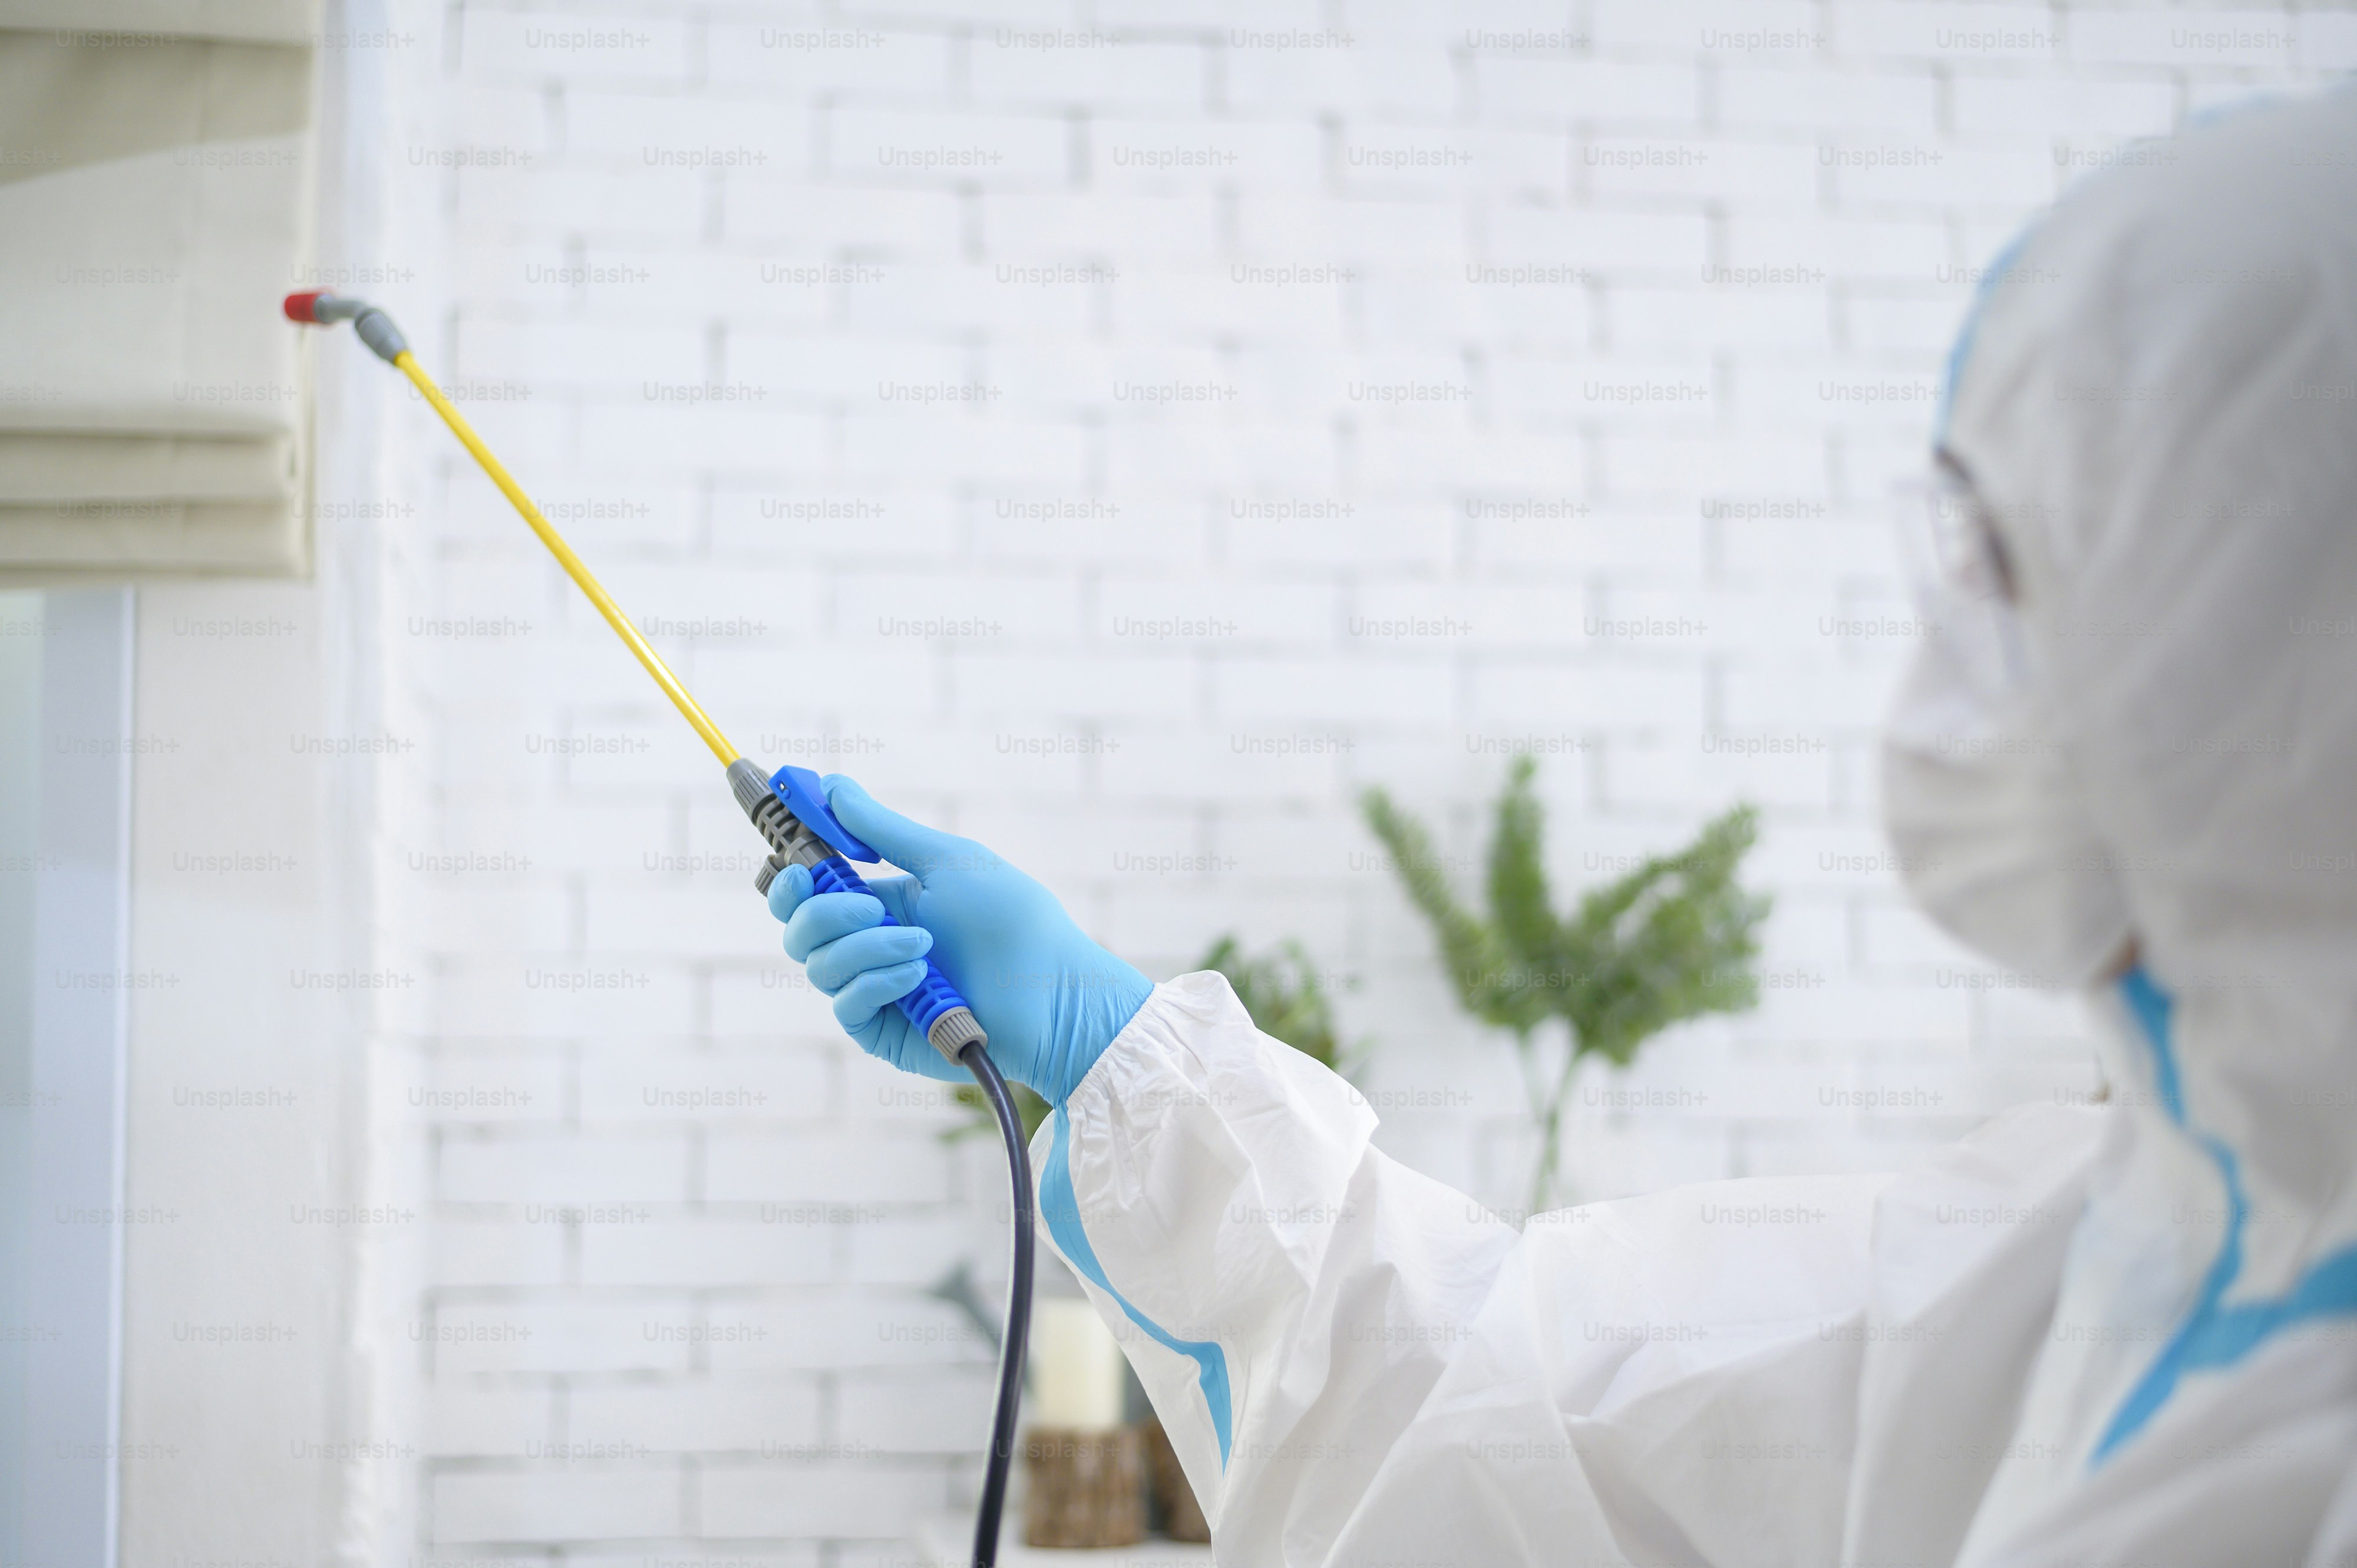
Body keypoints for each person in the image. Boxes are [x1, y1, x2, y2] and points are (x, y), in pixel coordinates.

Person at [770, 88, 2357, 1567]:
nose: (1955, 673)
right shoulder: (2128, 1250)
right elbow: (1522, 1419)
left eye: (2018, 571)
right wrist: (1117, 1057)